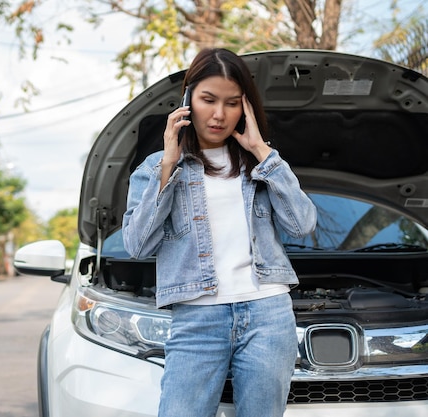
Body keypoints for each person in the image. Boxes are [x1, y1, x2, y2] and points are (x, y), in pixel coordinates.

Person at [122, 48, 317, 417]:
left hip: (267, 312)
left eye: (231, 103)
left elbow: (303, 224)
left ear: (245, 109)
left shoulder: (261, 164)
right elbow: (137, 244)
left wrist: (261, 151)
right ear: (187, 100)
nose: (218, 114)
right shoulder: (157, 167)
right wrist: (169, 163)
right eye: (208, 100)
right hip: (197, 317)